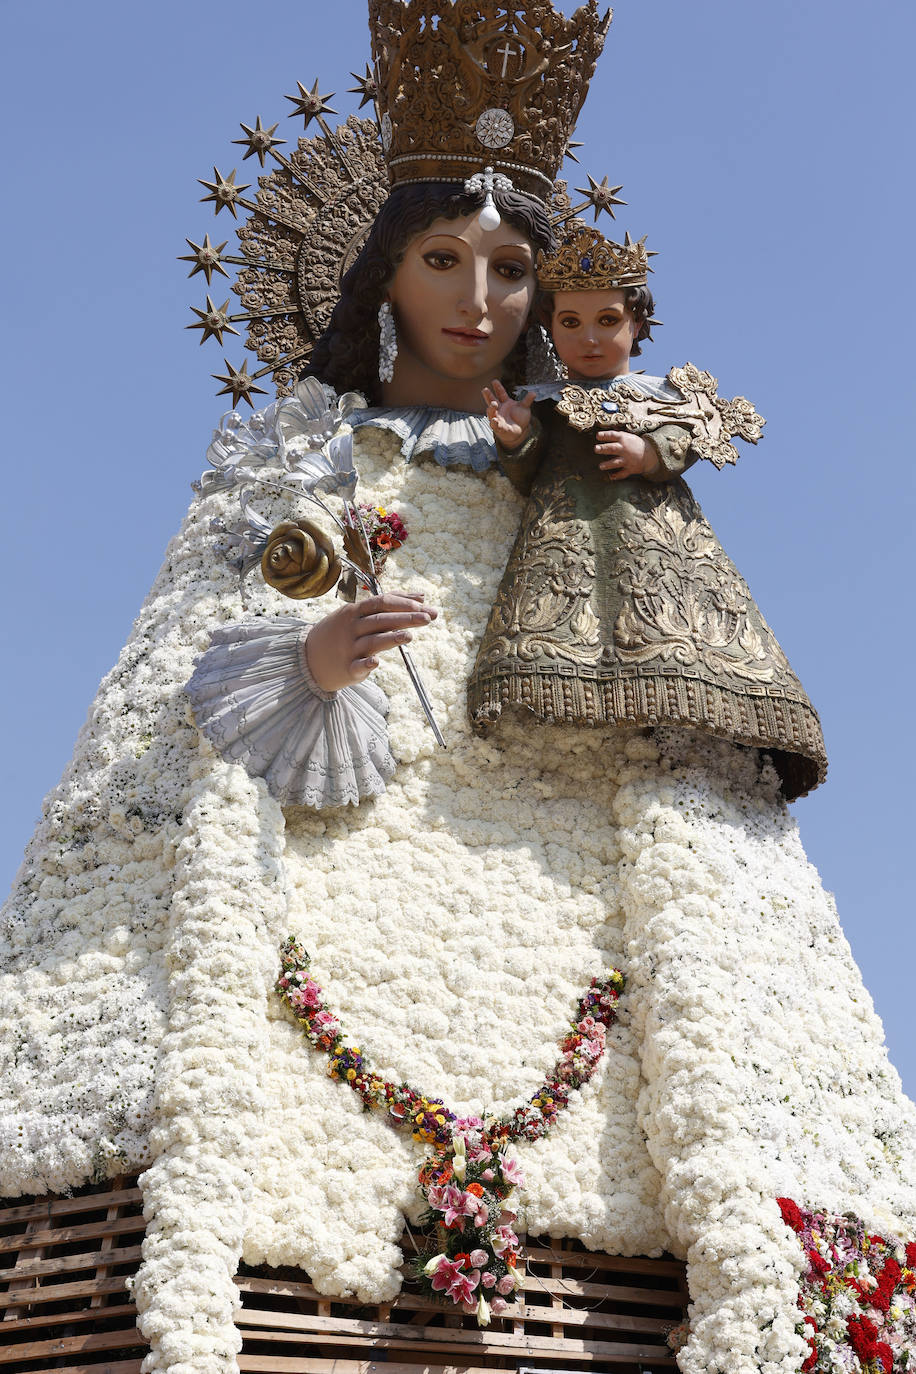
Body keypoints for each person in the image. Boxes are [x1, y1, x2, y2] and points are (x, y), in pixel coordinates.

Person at [473, 222, 826, 801]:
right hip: (565, 535)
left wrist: (651, 452)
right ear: (550, 328)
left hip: (657, 539)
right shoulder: (545, 401)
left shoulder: (662, 394)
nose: (588, 338)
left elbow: (684, 441)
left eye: (606, 321)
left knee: (670, 629)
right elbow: (528, 473)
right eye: (570, 323)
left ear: (636, 323)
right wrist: (517, 440)